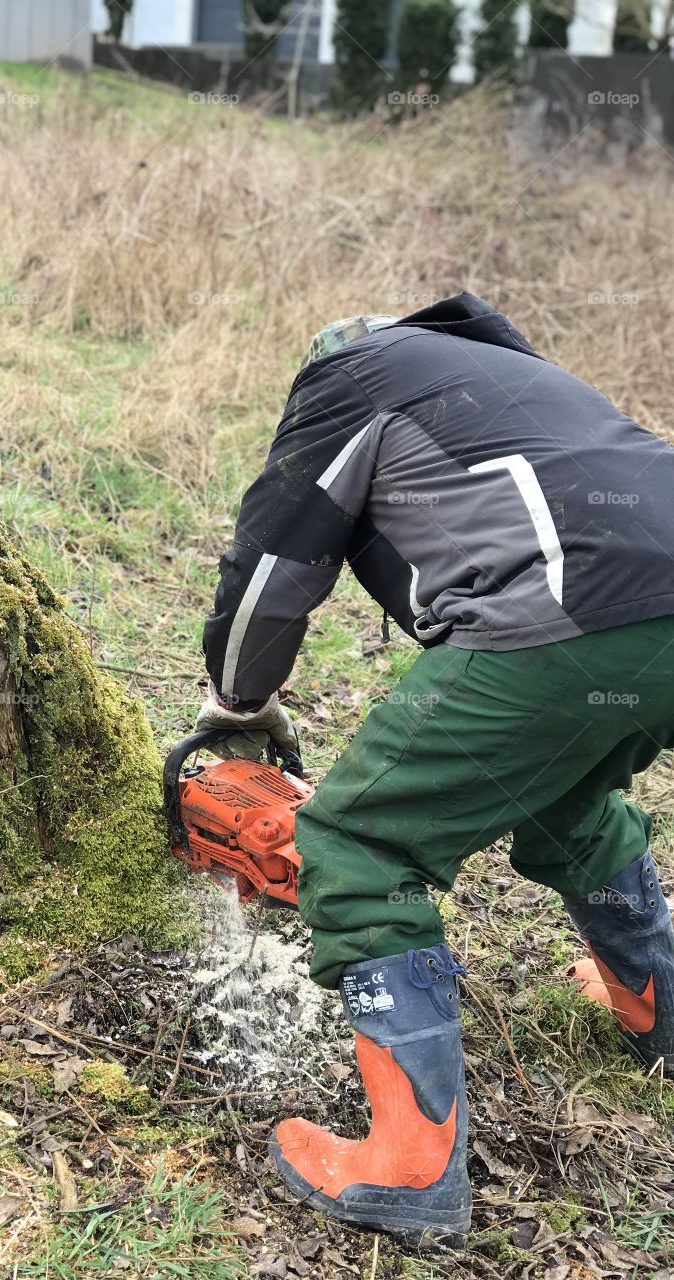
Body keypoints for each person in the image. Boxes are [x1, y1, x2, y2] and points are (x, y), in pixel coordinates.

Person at [194, 294, 674, 1247]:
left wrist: (239, 704)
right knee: (564, 792)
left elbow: (271, 568)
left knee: (357, 836)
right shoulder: (511, 378)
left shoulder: (349, 379)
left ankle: (410, 1169)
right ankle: (658, 1004)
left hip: (564, 617)